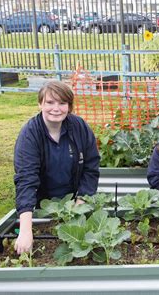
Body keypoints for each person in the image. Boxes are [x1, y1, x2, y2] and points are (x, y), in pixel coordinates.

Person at [14, 80, 100, 254]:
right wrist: (25, 230)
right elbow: (26, 180)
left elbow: (91, 168)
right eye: (50, 102)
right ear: (40, 104)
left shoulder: (79, 127)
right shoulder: (29, 135)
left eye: (62, 103)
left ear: (69, 106)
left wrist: (80, 203)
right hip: (40, 206)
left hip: (73, 203)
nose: (56, 108)